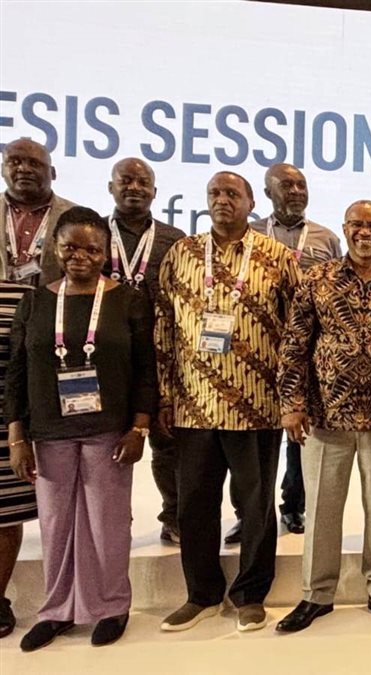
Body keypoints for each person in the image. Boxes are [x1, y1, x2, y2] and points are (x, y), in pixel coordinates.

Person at [5, 206, 156, 650]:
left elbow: (146, 369)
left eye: (92, 249)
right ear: (55, 248)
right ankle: (57, 611)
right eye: (70, 247)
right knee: (55, 526)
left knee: (107, 525)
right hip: (49, 431)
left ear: (105, 252)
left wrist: (139, 428)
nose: (81, 257)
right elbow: (16, 372)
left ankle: (111, 606)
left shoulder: (127, 300)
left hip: (108, 430)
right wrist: (17, 436)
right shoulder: (35, 301)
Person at [156, 172, 300, 633]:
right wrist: (164, 393)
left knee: (256, 506)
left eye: (232, 193)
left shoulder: (277, 257)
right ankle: (200, 594)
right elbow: (164, 325)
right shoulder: (182, 253)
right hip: (194, 404)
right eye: (214, 193)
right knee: (194, 504)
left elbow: (297, 334)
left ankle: (250, 595)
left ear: (251, 202)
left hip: (256, 403)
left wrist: (292, 397)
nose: (222, 200)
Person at [274, 199, 371, 632]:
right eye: (357, 224)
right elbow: (295, 344)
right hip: (325, 416)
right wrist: (292, 403)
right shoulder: (317, 280)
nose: (365, 232)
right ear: (345, 228)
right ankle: (316, 594)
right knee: (321, 508)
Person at [242, 163, 343, 541]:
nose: (297, 191)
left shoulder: (326, 238)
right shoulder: (250, 234)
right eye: (287, 185)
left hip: (309, 350)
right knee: (254, 438)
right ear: (268, 193)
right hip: (258, 347)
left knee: (301, 431)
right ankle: (250, 515)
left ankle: (294, 505)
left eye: (302, 185)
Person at [105, 157, 187, 545]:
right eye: (126, 180)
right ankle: (112, 519)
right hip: (107, 355)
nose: (134, 188)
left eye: (143, 182)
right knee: (107, 441)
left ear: (155, 192)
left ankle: (174, 515)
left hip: (160, 355)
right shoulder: (94, 233)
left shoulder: (174, 239)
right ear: (111, 187)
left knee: (166, 441)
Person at [0, 280, 32, 639]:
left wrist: (19, 429)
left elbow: (23, 363)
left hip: (7, 420)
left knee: (5, 513)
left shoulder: (20, 295)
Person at [0, 139, 76, 285]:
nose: (24, 169)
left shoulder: (75, 216)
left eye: (34, 163)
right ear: (2, 169)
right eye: (15, 162)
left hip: (53, 298)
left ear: (53, 173)